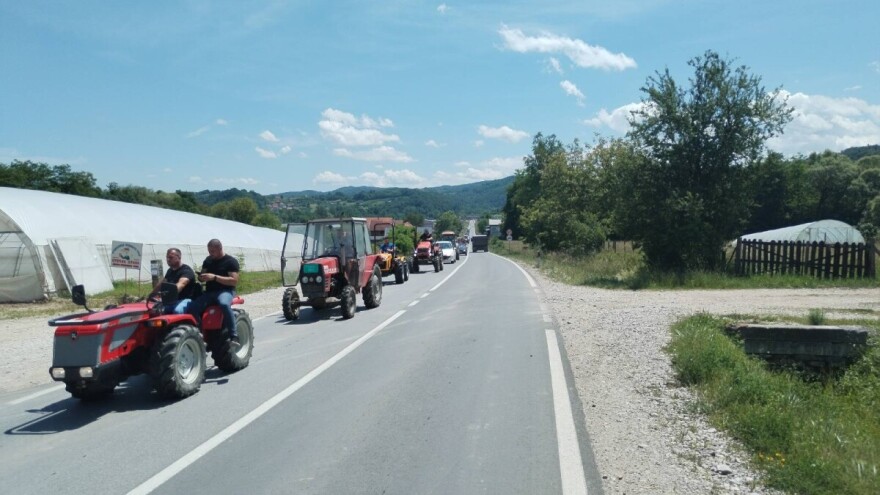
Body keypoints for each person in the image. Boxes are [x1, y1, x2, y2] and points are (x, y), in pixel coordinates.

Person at [188, 239, 240, 345]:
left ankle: (233, 335)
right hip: (209, 292)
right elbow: (203, 275)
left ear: (220, 248)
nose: (210, 253)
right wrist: (201, 277)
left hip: (225, 291)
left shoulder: (230, 261)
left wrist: (214, 277)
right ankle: (199, 334)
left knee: (224, 304)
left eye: (212, 251)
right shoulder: (208, 260)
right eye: (209, 251)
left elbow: (234, 281)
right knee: (192, 307)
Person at [150, 247, 198, 314]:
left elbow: (181, 284)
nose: (168, 260)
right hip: (172, 300)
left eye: (171, 257)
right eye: (167, 257)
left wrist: (168, 295)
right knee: (155, 310)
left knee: (177, 310)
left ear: (179, 257)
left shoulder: (186, 271)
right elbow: (161, 284)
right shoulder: (170, 271)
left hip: (186, 299)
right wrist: (151, 296)